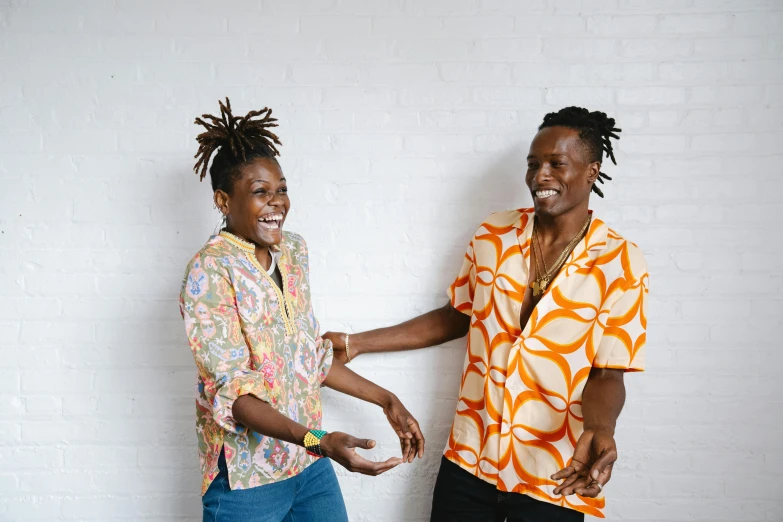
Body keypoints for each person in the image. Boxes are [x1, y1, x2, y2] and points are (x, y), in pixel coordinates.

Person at [325, 107, 649, 521]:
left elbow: (608, 373)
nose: (540, 176)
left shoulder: (622, 262)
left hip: (556, 473)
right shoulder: (493, 234)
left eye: (556, 164)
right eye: (533, 164)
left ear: (592, 171)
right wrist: (355, 343)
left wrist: (602, 430)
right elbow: (455, 316)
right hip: (470, 462)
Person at [179, 98, 425, 522]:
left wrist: (387, 399)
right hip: (247, 479)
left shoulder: (292, 251)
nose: (277, 203)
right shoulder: (209, 271)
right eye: (260, 192)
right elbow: (236, 398)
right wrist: (318, 440)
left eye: (282, 190)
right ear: (223, 200)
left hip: (307, 466)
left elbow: (308, 360)